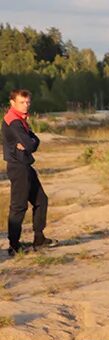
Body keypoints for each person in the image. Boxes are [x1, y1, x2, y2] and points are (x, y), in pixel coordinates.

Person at [3, 89, 52, 256]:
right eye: (22, 102)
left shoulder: (20, 120)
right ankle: (14, 246)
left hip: (25, 165)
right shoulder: (13, 121)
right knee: (19, 207)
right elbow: (31, 144)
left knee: (41, 200)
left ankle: (39, 238)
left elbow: (34, 141)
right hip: (18, 167)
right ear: (12, 103)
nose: (26, 105)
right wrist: (30, 142)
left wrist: (30, 141)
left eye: (28, 102)